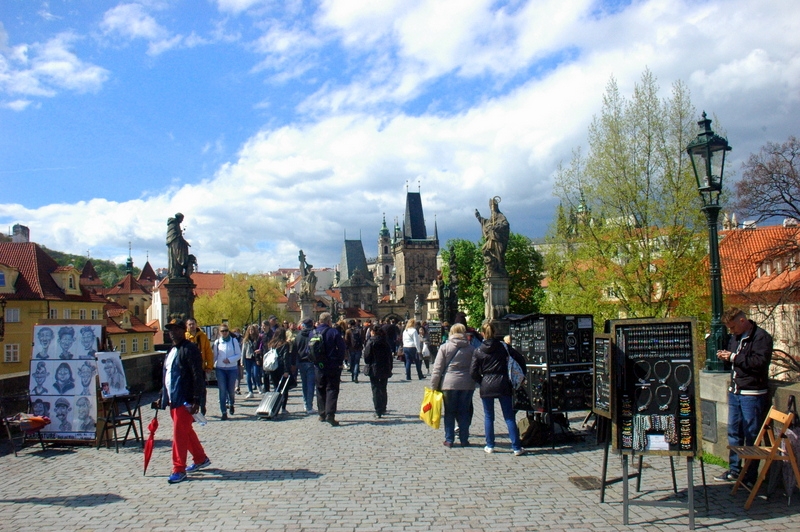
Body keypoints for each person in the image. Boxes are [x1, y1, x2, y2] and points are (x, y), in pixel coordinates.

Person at [714, 307, 773, 484]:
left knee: (751, 434)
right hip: (735, 391)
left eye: (733, 327)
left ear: (742, 320)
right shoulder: (736, 338)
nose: (731, 331)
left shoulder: (761, 337)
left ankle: (750, 474)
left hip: (752, 393)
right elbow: (736, 358)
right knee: (734, 432)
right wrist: (726, 356)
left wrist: (732, 357)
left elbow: (759, 363)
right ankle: (734, 469)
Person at [157, 319, 211, 484]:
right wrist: (163, 396)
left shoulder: (190, 349)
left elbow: (197, 375)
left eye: (176, 329)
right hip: (174, 398)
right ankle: (200, 458)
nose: (172, 333)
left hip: (185, 398)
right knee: (186, 431)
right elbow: (167, 375)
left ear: (183, 331)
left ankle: (178, 468)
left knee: (179, 434)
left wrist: (197, 398)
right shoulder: (172, 350)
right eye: (170, 330)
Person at [471, 321, 527, 456]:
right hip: (503, 382)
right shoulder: (503, 347)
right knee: (509, 417)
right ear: (495, 332)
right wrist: (521, 375)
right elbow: (520, 358)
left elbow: (472, 372)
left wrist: (482, 380)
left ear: (482, 334)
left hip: (487, 383)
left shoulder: (478, 350)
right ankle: (516, 447)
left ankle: (490, 445)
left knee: (489, 416)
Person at [431, 323, 476, 448]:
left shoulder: (445, 347)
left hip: (449, 384)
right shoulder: (471, 348)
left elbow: (437, 369)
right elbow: (475, 367)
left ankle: (449, 439)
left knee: (449, 412)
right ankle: (464, 439)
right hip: (467, 384)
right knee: (464, 412)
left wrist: (434, 385)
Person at [314, 312, 347, 426]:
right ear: (328, 321)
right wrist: (339, 362)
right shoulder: (333, 332)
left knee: (320, 389)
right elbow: (342, 348)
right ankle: (330, 415)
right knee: (332, 389)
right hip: (332, 364)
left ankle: (322, 414)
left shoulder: (313, 333)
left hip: (318, 366)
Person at [363, 324, 394, 418]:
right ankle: (384, 407)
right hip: (385, 367)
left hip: (374, 368)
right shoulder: (385, 342)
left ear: (373, 332)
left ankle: (378, 410)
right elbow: (390, 356)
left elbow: (366, 357)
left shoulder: (370, 342)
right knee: (383, 388)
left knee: (375, 389)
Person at [475, 196, 510, 277]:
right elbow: (486, 223)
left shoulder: (500, 216)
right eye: (491, 207)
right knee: (485, 250)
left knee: (498, 256)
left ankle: (499, 269)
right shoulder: (492, 218)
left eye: (493, 207)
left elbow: (505, 224)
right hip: (491, 239)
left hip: (497, 240)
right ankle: (490, 267)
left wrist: (496, 227)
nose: (492, 209)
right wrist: (479, 217)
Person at [212, 324, 241, 420]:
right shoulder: (217, 343)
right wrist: (211, 365)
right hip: (220, 368)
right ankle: (223, 411)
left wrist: (230, 360)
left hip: (232, 368)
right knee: (222, 390)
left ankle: (231, 403)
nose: (224, 333)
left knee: (231, 390)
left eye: (226, 331)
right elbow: (215, 356)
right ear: (219, 332)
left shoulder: (234, 341)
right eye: (222, 331)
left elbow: (238, 355)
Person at [185, 318, 213, 415]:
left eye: (193, 324)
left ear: (196, 325)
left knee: (201, 388)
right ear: (187, 326)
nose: (191, 326)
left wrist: (209, 365)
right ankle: (192, 407)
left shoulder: (203, 336)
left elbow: (208, 352)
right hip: (187, 369)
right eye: (189, 324)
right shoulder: (185, 337)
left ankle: (202, 405)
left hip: (200, 367)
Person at [267, 327, 295, 414]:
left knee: (276, 387)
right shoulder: (284, 344)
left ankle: (275, 406)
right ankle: (283, 407)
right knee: (284, 389)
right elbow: (285, 358)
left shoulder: (271, 344)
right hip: (281, 368)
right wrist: (287, 370)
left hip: (273, 368)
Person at [292, 318, 317, 415]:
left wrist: (293, 364)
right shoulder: (313, 335)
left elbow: (294, 350)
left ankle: (305, 404)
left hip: (301, 362)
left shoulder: (298, 336)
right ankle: (309, 406)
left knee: (304, 384)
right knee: (311, 385)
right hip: (310, 362)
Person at [167, 213, 191, 278]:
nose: (182, 220)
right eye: (182, 219)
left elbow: (179, 236)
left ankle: (179, 273)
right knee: (175, 258)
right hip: (174, 245)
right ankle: (175, 273)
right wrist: (181, 241)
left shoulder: (176, 224)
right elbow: (173, 236)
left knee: (181, 255)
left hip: (178, 243)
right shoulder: (173, 224)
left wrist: (184, 242)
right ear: (179, 218)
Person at [241, 325, 262, 399]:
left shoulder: (258, 338)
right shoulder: (246, 340)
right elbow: (243, 351)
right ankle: (250, 391)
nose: (251, 331)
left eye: (252, 330)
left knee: (256, 374)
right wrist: (242, 361)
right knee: (248, 375)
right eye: (249, 330)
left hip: (255, 358)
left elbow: (261, 347)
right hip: (247, 358)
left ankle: (259, 385)